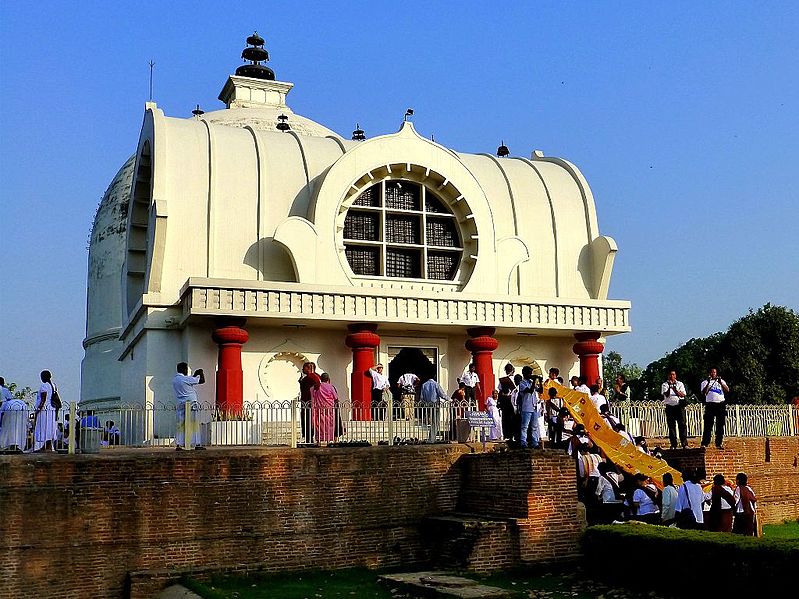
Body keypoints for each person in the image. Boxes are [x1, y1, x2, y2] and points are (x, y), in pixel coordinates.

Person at [173, 362, 205, 451]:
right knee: (194, 423)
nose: (187, 371)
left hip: (181, 403)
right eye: (186, 369)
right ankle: (196, 443)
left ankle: (179, 444)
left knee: (181, 424)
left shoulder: (175, 380)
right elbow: (202, 380)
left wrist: (195, 375)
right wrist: (200, 372)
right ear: (184, 369)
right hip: (191, 403)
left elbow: (190, 380)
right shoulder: (185, 379)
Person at [701, 367, 729, 449]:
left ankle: (719, 443)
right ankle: (705, 443)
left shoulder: (721, 381)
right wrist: (709, 382)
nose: (713, 374)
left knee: (720, 425)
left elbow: (727, 390)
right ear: (709, 373)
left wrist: (721, 383)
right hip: (710, 404)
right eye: (712, 372)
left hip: (720, 404)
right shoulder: (705, 382)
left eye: (714, 372)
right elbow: (704, 392)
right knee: (708, 425)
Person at [661, 370, 688, 449]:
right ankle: (673, 444)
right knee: (671, 426)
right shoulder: (664, 385)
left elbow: (682, 394)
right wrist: (670, 387)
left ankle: (684, 443)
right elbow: (666, 394)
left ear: (675, 376)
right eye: (670, 375)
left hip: (679, 406)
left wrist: (675, 389)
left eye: (673, 374)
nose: (671, 376)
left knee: (682, 425)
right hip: (669, 406)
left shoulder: (680, 384)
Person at [33, 370, 58, 452]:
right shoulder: (53, 385)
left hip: (44, 410)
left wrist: (38, 410)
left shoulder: (44, 386)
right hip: (51, 409)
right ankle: (47, 446)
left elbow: (43, 399)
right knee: (49, 427)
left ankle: (46, 446)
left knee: (43, 427)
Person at [419, 373, 448, 443]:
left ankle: (431, 438)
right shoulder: (435, 384)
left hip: (428, 405)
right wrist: (449, 399)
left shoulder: (424, 385)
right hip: (435, 405)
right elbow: (442, 394)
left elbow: (422, 398)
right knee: (435, 422)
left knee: (431, 422)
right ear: (434, 377)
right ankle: (432, 439)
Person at [518, 367, 541, 449]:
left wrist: (540, 381)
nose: (530, 375)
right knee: (525, 426)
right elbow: (530, 391)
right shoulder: (522, 383)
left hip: (534, 407)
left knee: (534, 426)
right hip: (526, 407)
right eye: (529, 373)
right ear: (524, 374)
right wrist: (534, 381)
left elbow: (540, 390)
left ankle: (535, 442)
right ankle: (523, 442)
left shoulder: (531, 382)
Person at [311, 372, 338, 443]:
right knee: (329, 424)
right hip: (329, 409)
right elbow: (335, 398)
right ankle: (329, 439)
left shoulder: (317, 386)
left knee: (319, 424)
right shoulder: (331, 387)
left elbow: (311, 391)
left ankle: (319, 440)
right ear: (328, 379)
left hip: (319, 408)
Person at [299, 362, 322, 441]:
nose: (303, 369)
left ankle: (308, 438)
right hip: (310, 403)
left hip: (308, 402)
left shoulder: (311, 378)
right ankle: (310, 437)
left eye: (304, 368)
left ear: (309, 368)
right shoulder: (317, 377)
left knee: (308, 421)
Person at [497, 364, 518, 444]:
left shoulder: (503, 380)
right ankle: (514, 435)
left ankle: (508, 435)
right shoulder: (516, 379)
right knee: (514, 419)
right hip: (513, 402)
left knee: (506, 420)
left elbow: (500, 391)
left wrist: (499, 403)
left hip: (507, 401)